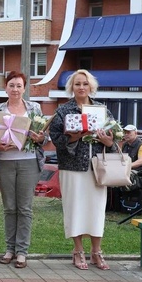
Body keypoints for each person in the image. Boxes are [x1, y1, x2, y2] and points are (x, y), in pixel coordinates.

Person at [49, 69, 115, 271]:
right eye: (77, 84)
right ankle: (78, 250)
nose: (81, 87)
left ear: (91, 87)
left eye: (85, 84)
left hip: (97, 167)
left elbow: (114, 138)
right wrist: (75, 136)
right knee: (74, 208)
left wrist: (107, 140)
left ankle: (96, 251)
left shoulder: (102, 110)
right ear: (72, 87)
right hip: (72, 167)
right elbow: (56, 140)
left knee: (96, 210)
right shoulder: (63, 111)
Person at [0, 71, 47, 269]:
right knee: (9, 208)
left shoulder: (34, 108)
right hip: (5, 161)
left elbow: (44, 137)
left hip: (28, 162)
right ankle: (9, 249)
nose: (15, 89)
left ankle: (22, 251)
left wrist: (40, 138)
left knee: (25, 208)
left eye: (19, 86)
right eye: (11, 85)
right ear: (6, 88)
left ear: (24, 88)